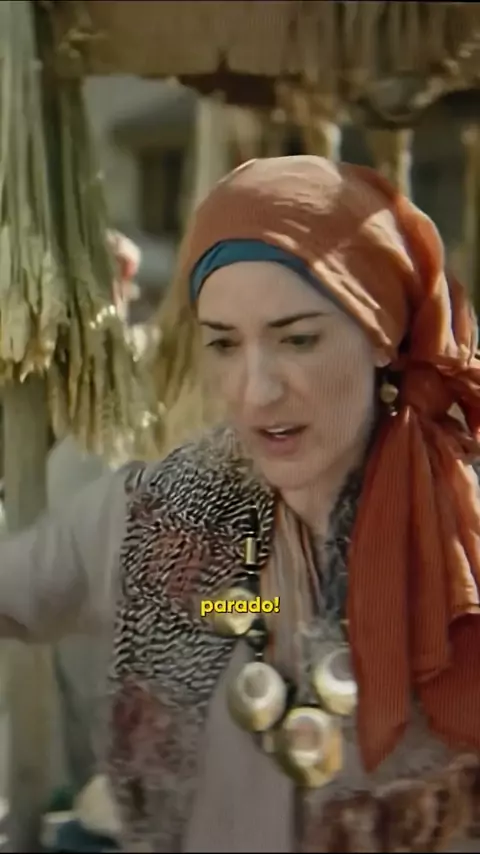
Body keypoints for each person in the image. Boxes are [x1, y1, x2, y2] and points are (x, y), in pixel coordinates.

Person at [1, 155, 480, 853]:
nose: (256, 391)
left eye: (298, 339)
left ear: (381, 335)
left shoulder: (461, 536)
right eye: (224, 344)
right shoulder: (156, 516)